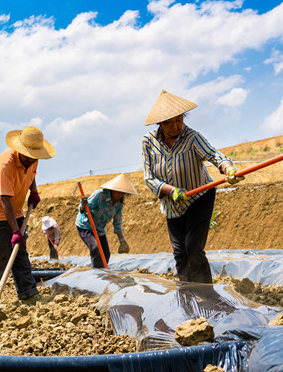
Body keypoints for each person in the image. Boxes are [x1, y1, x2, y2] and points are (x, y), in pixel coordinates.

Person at [141, 90, 243, 283]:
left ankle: (206, 293)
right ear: (159, 124)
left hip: (199, 197)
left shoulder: (192, 137)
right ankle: (187, 293)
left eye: (179, 120)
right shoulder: (149, 142)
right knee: (180, 253)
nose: (175, 126)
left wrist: (227, 169)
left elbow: (214, 155)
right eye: (169, 123)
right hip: (172, 204)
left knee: (193, 247)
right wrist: (170, 190)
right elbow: (149, 178)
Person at [0, 126, 54, 303]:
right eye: (28, 156)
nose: (32, 160)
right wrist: (15, 231)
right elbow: (5, 200)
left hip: (17, 209)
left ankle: (28, 293)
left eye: (34, 157)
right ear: (20, 150)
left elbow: (31, 174)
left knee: (21, 253)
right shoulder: (7, 163)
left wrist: (33, 191)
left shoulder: (33, 158)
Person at [76, 174, 136, 268]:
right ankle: (97, 275)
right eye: (118, 192)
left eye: (123, 193)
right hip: (86, 226)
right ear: (112, 189)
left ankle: (102, 271)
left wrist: (121, 239)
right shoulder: (99, 195)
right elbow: (85, 209)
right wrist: (83, 205)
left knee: (106, 254)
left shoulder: (119, 204)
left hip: (99, 229)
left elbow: (117, 222)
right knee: (95, 248)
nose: (121, 195)